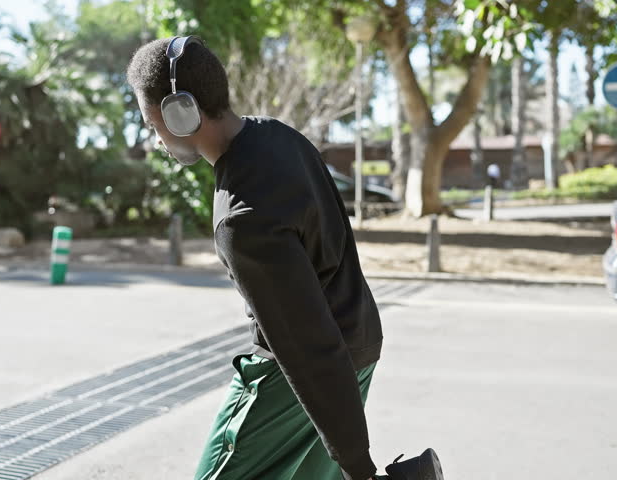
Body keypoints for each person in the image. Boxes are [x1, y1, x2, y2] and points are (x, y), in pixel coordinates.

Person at [126, 36, 443, 480]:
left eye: (151, 120)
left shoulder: (240, 217)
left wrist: (358, 465)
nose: (155, 136)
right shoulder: (280, 136)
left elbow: (305, 343)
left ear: (181, 112)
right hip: (360, 345)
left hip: (299, 380)